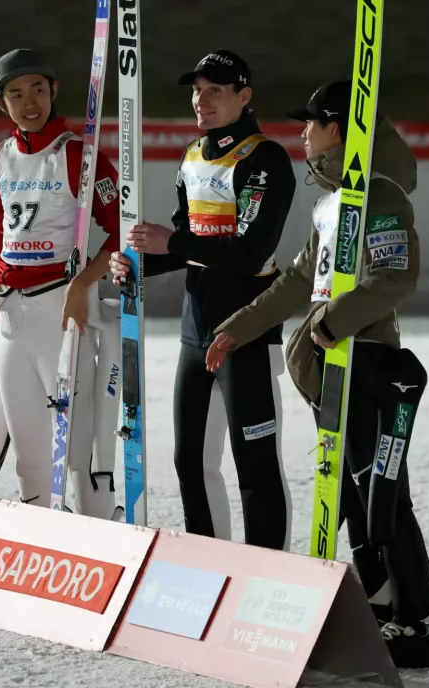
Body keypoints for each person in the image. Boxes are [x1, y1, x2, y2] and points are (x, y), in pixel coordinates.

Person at [205, 80, 429, 668]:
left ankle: (415, 621)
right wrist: (239, 324)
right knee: (350, 492)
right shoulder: (332, 202)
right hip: (328, 368)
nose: (302, 133)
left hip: (365, 364)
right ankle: (383, 606)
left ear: (337, 129)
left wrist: (331, 325)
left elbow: (395, 278)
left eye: (310, 123)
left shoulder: (380, 196)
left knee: (380, 492)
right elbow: (295, 280)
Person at [109, 50, 296, 551]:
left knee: (255, 466)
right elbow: (189, 243)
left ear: (244, 95)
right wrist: (138, 263)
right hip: (196, 333)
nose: (201, 99)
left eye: (215, 90)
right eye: (196, 90)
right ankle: (209, 569)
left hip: (248, 334)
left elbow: (251, 250)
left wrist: (170, 243)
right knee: (189, 461)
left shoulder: (265, 158)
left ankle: (266, 574)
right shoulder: (193, 156)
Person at [0, 48, 122, 521]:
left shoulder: (79, 153)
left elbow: (121, 230)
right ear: (1, 102)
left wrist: (83, 283)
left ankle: (101, 544)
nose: (28, 101)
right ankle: (43, 549)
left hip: (63, 314)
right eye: (15, 93)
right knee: (31, 460)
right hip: (12, 319)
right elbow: (3, 227)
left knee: (77, 455)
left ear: (54, 91)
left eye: (38, 88)